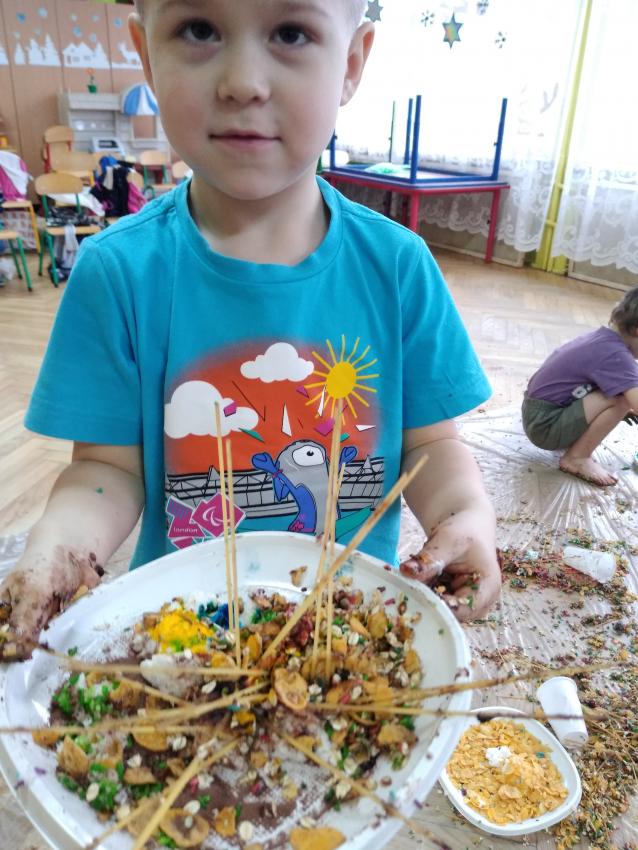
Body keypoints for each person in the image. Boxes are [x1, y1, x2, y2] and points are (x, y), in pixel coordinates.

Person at [0, 0, 501, 660]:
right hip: (179, 643)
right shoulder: (116, 273)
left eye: (291, 32)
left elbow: (431, 445)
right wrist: (60, 546)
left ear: (352, 63)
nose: (242, 82)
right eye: (199, 29)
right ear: (146, 56)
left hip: (347, 644)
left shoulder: (399, 268)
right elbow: (104, 470)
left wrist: (467, 516)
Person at [522, 286, 638, 486]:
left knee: (624, 392)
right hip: (544, 425)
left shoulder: (604, 339)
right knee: (621, 400)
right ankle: (577, 458)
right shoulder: (616, 356)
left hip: (537, 413)